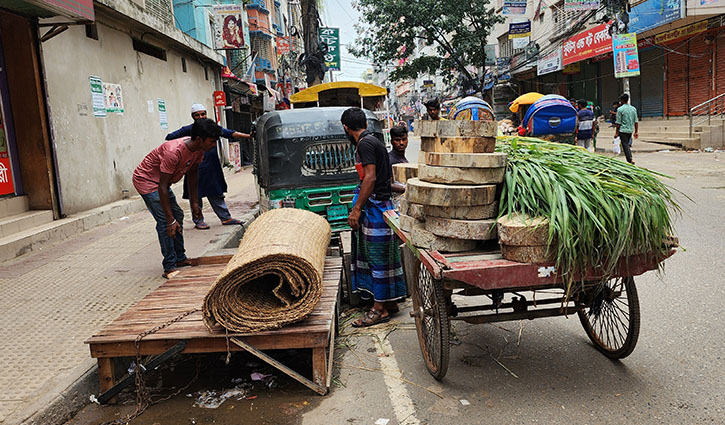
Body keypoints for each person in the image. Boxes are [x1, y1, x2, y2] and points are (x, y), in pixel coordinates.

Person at [133, 118, 222, 278]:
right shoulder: (173, 152)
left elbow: (193, 174)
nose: (213, 145)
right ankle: (169, 266)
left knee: (178, 216)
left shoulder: (199, 150)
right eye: (212, 141)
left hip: (162, 183)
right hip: (147, 181)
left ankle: (180, 258)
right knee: (166, 222)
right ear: (199, 139)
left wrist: (195, 203)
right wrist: (169, 219)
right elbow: (162, 186)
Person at [342, 107, 406, 327]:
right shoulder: (374, 141)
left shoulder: (365, 144)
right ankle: (390, 302)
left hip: (375, 208)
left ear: (346, 128)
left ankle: (379, 309)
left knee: (378, 259)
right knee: (382, 257)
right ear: (366, 124)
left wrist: (357, 209)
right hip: (380, 206)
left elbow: (370, 178)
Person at [165, 103, 251, 229]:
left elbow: (230, 133)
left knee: (216, 193)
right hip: (195, 168)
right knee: (196, 195)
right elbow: (170, 137)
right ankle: (198, 220)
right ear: (193, 117)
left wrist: (248, 136)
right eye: (197, 115)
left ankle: (225, 218)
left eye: (203, 114)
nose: (201, 117)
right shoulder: (189, 130)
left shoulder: (212, 129)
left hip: (212, 168)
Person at [615, 93, 639, 165]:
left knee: (625, 144)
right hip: (630, 130)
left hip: (623, 130)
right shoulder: (633, 109)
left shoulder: (620, 109)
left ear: (622, 100)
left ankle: (630, 159)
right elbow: (636, 121)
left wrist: (616, 132)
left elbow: (618, 122)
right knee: (626, 144)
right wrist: (636, 131)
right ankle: (628, 156)